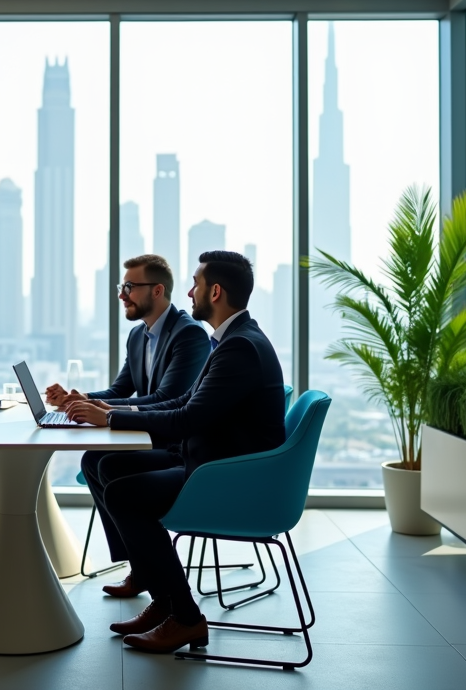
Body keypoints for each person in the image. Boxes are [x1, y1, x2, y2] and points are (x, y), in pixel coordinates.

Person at [67, 251, 286, 653]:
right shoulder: (232, 341)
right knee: (108, 465)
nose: (190, 292)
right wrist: (108, 411)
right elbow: (184, 401)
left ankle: (185, 618)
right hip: (210, 462)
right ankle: (163, 600)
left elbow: (187, 417)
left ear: (215, 291)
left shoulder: (239, 347)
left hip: (227, 476)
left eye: (196, 284)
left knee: (123, 494)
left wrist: (112, 419)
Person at [45, 254, 208, 580]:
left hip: (172, 440)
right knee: (93, 460)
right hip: (146, 432)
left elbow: (167, 400)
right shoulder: (138, 335)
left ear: (157, 290)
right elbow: (123, 387)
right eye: (123, 286)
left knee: (103, 463)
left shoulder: (189, 335)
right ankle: (137, 564)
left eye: (130, 287)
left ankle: (145, 564)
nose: (122, 295)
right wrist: (80, 399)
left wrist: (105, 413)